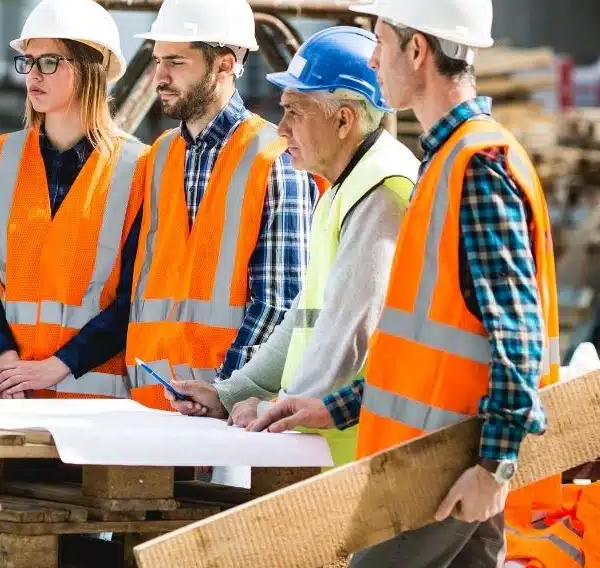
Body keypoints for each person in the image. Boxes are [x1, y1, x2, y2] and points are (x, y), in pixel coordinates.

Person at [251, 0, 561, 567]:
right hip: (435, 460)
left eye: (383, 43)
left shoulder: (477, 167)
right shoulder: (449, 164)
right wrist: (331, 406)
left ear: (417, 51)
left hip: (444, 468)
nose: (373, 60)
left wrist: (494, 466)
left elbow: (517, 334)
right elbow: (425, 350)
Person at [164, 26, 419, 469]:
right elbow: (304, 320)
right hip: (336, 450)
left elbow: (348, 337)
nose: (280, 130)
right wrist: (233, 394)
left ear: (343, 120)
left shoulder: (382, 190)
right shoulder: (344, 187)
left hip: (365, 458)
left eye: (295, 113)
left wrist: (275, 409)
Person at [124, 0, 320, 413]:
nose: (160, 76)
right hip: (150, 408)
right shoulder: (158, 158)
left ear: (225, 64)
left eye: (176, 61)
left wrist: (226, 392)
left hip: (231, 415)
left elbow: (279, 302)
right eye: (158, 60)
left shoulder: (275, 158)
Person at [0, 0, 146, 399]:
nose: (32, 76)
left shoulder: (139, 168)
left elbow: (134, 299)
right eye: (28, 61)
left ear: (89, 68)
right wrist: (3, 357)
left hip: (91, 407)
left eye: (48, 62)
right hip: (3, 397)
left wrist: (57, 367)